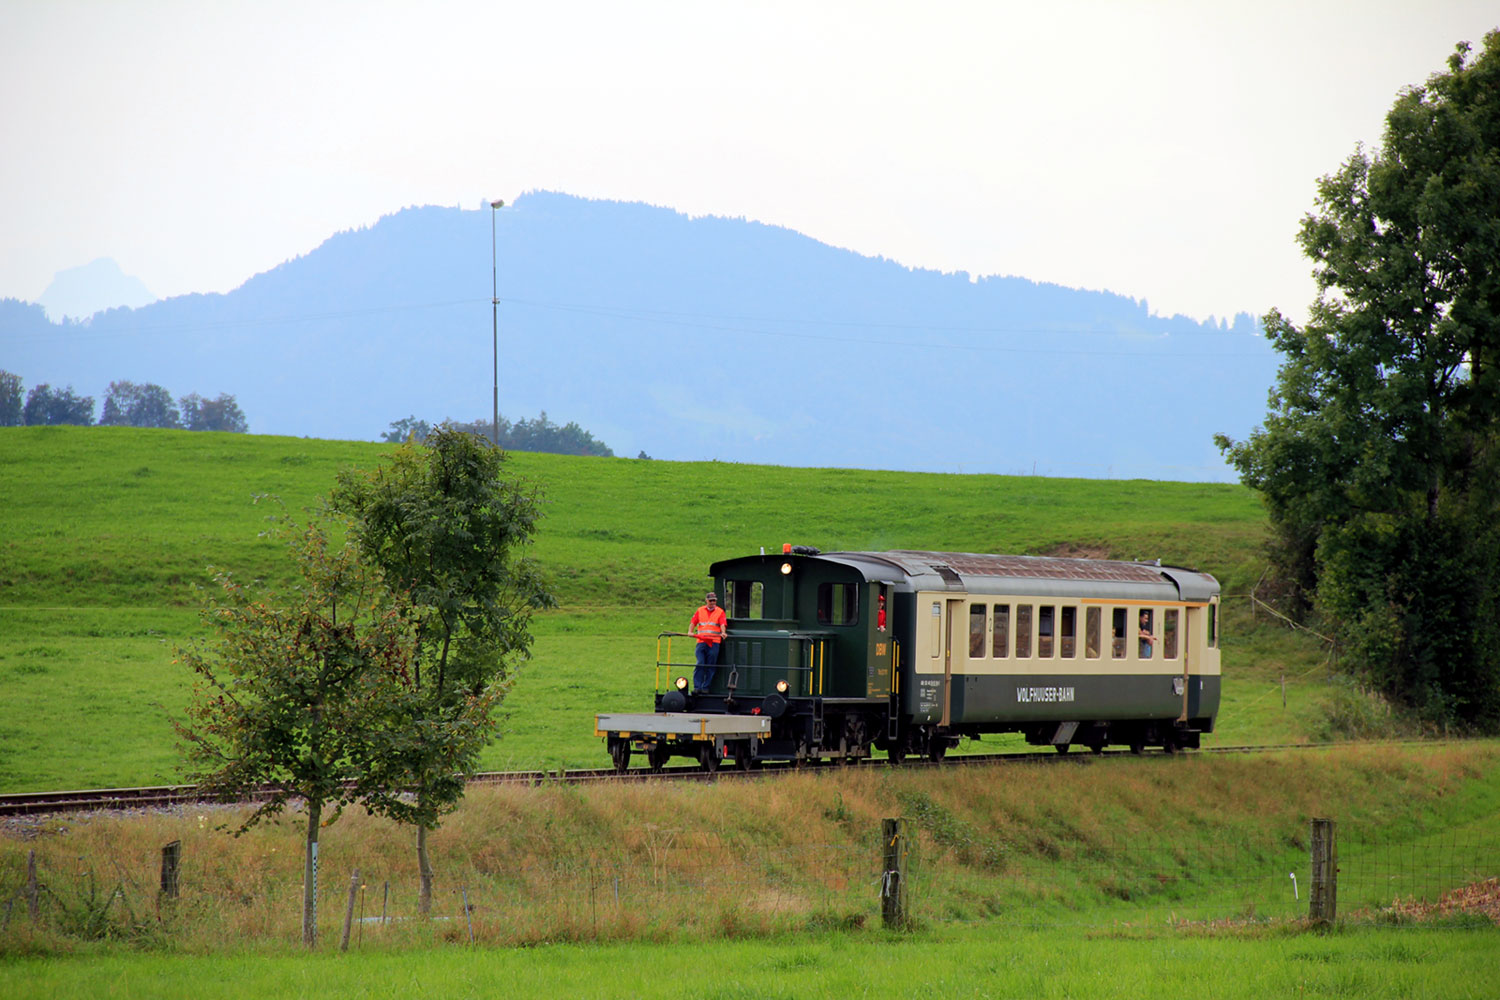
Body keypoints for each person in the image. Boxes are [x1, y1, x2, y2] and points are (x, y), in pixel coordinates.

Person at [690, 591, 727, 692]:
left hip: (714, 641)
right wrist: (690, 632)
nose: (713, 602)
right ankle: (697, 687)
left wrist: (723, 632)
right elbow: (693, 621)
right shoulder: (700, 610)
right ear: (706, 601)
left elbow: (723, 623)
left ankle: (706, 687)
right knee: (700, 663)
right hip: (701, 641)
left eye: (714, 601)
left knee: (711, 664)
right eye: (711, 601)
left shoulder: (720, 612)